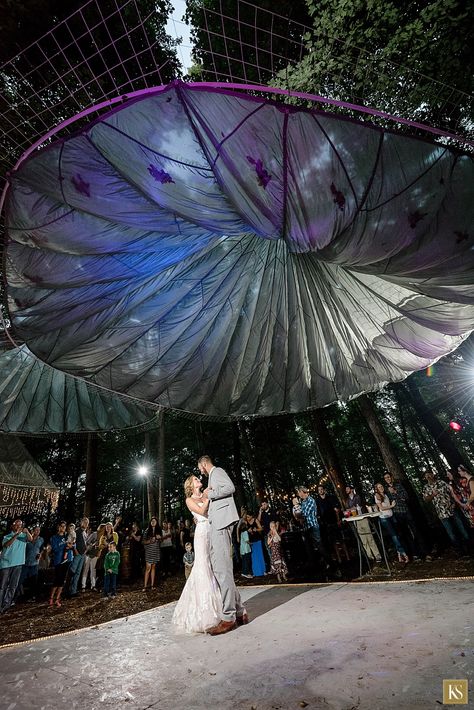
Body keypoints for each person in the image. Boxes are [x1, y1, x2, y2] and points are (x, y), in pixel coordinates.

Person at [199, 455, 248, 635]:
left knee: (222, 570)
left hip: (221, 524)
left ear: (204, 463)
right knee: (222, 569)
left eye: (200, 468)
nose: (200, 472)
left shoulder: (216, 471)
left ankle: (228, 617)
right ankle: (240, 612)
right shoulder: (213, 476)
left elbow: (230, 488)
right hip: (217, 524)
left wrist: (209, 494)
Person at [172, 474, 222, 633]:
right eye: (195, 479)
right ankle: (205, 612)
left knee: (214, 565)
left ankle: (222, 602)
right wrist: (208, 498)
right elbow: (201, 510)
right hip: (201, 533)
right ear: (190, 485)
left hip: (212, 529)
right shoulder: (189, 500)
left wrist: (209, 493)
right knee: (203, 566)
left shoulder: (205, 492)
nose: (198, 479)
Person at [422, 470, 469, 555]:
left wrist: (454, 503)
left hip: (452, 508)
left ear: (433, 475)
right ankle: (460, 551)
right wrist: (432, 495)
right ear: (425, 478)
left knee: (462, 528)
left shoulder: (441, 482)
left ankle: (469, 547)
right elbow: (425, 499)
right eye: (426, 476)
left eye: (429, 474)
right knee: (451, 533)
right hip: (442, 513)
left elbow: (452, 492)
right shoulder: (426, 487)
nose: (428, 476)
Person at [383, 473, 427, 561]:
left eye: (388, 477)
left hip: (406, 511)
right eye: (385, 478)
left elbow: (405, 497)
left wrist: (395, 492)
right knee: (405, 534)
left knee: (416, 531)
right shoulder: (386, 490)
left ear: (391, 477)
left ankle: (425, 553)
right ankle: (415, 554)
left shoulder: (399, 485)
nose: (387, 479)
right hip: (397, 514)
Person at [0, 519, 32, 613]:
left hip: (18, 564)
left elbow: (31, 539)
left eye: (20, 525)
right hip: (6, 564)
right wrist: (16, 534)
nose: (18, 526)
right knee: (2, 586)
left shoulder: (23, 536)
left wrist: (27, 532)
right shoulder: (7, 536)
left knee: (13, 586)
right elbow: (7, 545)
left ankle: (6, 605)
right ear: (12, 526)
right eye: (16, 525)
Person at [345, 485, 381, 563]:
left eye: (348, 489)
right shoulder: (347, 500)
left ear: (351, 489)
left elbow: (357, 506)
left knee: (369, 536)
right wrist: (352, 509)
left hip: (363, 518)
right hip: (355, 520)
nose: (346, 490)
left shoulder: (357, 496)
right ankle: (370, 556)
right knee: (363, 539)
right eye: (346, 489)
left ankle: (377, 555)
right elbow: (347, 509)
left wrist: (352, 509)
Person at [374, 483, 409, 563]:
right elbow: (382, 508)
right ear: (377, 489)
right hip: (385, 518)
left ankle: (399, 554)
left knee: (397, 535)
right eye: (379, 487)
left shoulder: (386, 495)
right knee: (394, 536)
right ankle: (404, 554)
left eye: (382, 486)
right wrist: (391, 506)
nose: (381, 488)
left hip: (391, 516)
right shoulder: (377, 496)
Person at [49, 521, 74, 607]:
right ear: (58, 527)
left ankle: (57, 599)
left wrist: (71, 546)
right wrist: (64, 545)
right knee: (57, 580)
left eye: (64, 526)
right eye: (61, 526)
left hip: (67, 560)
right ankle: (51, 598)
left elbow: (72, 545)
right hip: (58, 561)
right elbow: (55, 549)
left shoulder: (67, 536)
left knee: (62, 581)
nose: (63, 528)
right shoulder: (54, 538)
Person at [18, 525, 44, 601]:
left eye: (39, 530)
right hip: (25, 563)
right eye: (36, 530)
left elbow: (41, 548)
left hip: (34, 564)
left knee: (33, 581)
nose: (38, 531)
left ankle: (32, 597)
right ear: (32, 531)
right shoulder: (26, 538)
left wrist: (40, 554)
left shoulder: (41, 539)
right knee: (20, 580)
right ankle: (16, 597)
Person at [68, 517, 89, 596]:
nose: (86, 524)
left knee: (78, 573)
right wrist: (75, 550)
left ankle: (74, 591)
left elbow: (85, 543)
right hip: (77, 555)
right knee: (72, 572)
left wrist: (86, 549)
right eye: (84, 522)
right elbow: (72, 542)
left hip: (83, 555)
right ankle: (68, 590)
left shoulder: (84, 533)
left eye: (87, 523)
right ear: (81, 523)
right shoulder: (76, 531)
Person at [143, 516, 162, 591]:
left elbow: (161, 541)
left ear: (157, 523)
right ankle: (145, 586)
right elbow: (143, 541)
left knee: (153, 567)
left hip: (156, 551)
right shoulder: (147, 531)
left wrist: (159, 538)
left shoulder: (158, 530)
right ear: (150, 523)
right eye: (152, 521)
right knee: (148, 568)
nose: (153, 522)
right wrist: (150, 541)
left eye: (154, 521)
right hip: (149, 552)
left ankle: (152, 585)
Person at [246, 513, 266, 577]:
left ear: (251, 516)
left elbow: (261, 528)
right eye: (247, 517)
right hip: (251, 541)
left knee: (260, 555)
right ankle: (255, 572)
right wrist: (247, 530)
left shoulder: (255, 520)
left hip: (257, 539)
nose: (247, 518)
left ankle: (263, 571)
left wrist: (256, 529)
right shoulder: (246, 522)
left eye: (248, 517)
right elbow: (244, 530)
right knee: (254, 557)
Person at [81, 526, 99, 591]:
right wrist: (92, 544)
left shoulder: (99, 535)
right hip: (88, 554)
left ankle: (93, 586)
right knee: (85, 570)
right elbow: (87, 543)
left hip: (95, 555)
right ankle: (83, 586)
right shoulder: (91, 534)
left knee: (93, 570)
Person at [457, 465, 474, 530]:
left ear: (465, 471)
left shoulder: (471, 480)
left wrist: (467, 503)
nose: (458, 473)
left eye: (459, 471)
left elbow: (473, 494)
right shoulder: (467, 480)